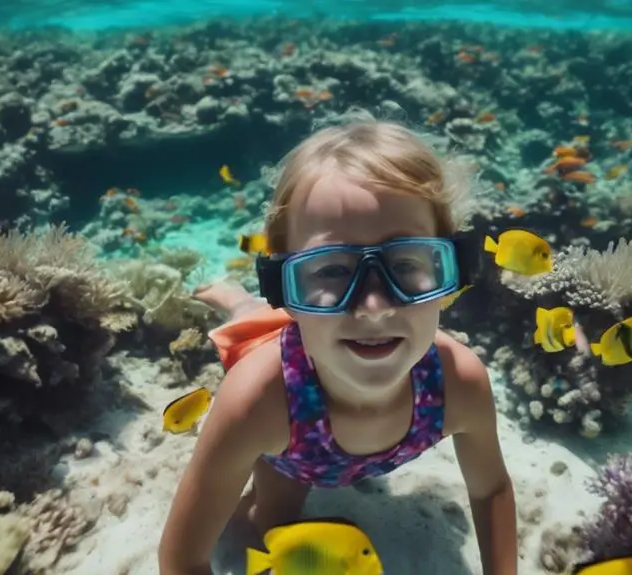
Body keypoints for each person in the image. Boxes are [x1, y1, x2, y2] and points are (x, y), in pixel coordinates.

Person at [158, 110, 518, 575]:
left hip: (319, 340)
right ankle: (239, 301)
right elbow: (181, 559)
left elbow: (491, 490)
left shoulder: (461, 384)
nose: (373, 306)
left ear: (451, 276)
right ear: (286, 287)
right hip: (291, 417)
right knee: (270, 520)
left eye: (407, 265)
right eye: (330, 269)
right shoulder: (256, 404)